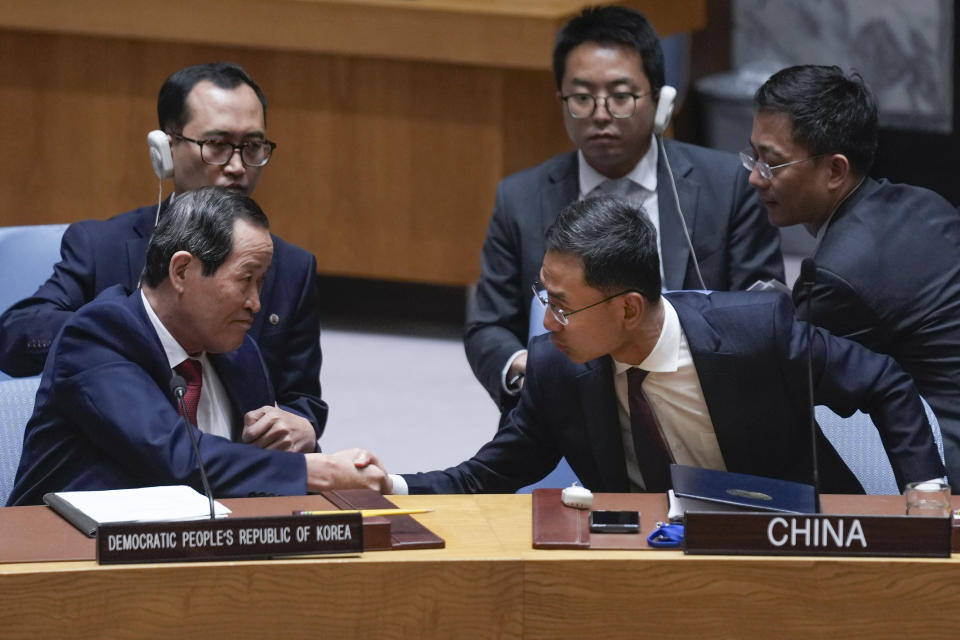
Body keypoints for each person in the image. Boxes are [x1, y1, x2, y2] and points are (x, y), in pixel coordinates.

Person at [392, 197, 944, 495]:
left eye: (562, 305)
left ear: (628, 308)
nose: (548, 322)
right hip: (647, 568)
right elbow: (483, 477)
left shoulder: (756, 332)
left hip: (788, 546)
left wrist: (926, 491)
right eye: (545, 296)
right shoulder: (555, 370)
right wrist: (384, 484)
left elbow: (883, 381)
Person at [464, 5, 785, 413]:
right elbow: (488, 325)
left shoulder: (728, 187)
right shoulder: (520, 197)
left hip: (697, 400)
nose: (601, 115)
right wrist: (521, 366)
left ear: (659, 97)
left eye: (621, 97)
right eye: (581, 98)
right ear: (561, 99)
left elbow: (764, 313)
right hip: (567, 406)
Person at [0, 62, 327, 443]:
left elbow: (302, 397)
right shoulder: (101, 246)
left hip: (239, 475)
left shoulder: (291, 268)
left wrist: (301, 422)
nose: (237, 166)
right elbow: (16, 336)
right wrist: (128, 332)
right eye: (217, 145)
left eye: (252, 147)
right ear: (166, 148)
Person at [8, 188, 388, 505]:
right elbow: (177, 458)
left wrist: (299, 442)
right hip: (61, 563)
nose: (257, 302)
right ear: (182, 271)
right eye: (246, 280)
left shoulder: (240, 353)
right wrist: (314, 472)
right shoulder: (96, 337)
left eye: (262, 283)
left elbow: (256, 476)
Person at [746, 65, 960, 490]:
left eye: (771, 164)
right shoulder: (924, 201)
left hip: (940, 460)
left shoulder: (837, 273)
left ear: (834, 171)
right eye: (753, 156)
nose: (755, 177)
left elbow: (796, 377)